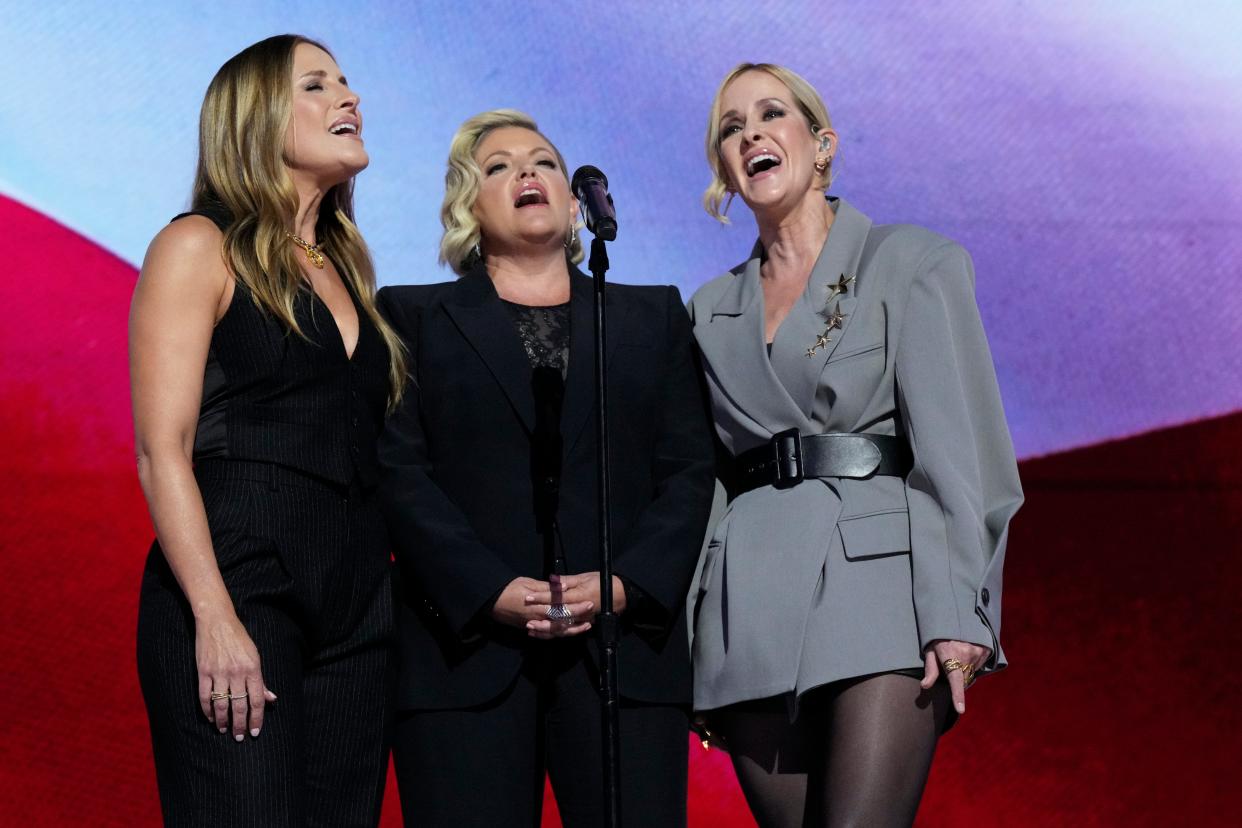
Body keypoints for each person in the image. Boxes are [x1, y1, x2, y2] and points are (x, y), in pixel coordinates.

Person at [686, 63, 1024, 827]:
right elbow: (702, 482)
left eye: (771, 114)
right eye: (731, 129)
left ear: (822, 143)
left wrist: (959, 610)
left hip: (884, 591)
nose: (752, 135)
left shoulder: (912, 264)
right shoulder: (709, 311)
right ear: (725, 172)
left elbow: (959, 460)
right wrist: (691, 641)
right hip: (750, 608)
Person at [376, 109, 715, 827]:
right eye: (497, 167)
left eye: (543, 162)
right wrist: (487, 588)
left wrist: (625, 586)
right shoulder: (411, 317)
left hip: (621, 657)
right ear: (468, 205)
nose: (526, 173)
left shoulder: (652, 316)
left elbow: (687, 469)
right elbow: (400, 471)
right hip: (462, 657)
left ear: (574, 201)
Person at [131, 35, 406, 827]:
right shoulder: (197, 246)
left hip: (356, 596)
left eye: (348, 82)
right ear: (255, 118)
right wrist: (216, 618)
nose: (348, 99)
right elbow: (161, 453)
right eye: (317, 85)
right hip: (240, 579)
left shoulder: (346, 266)